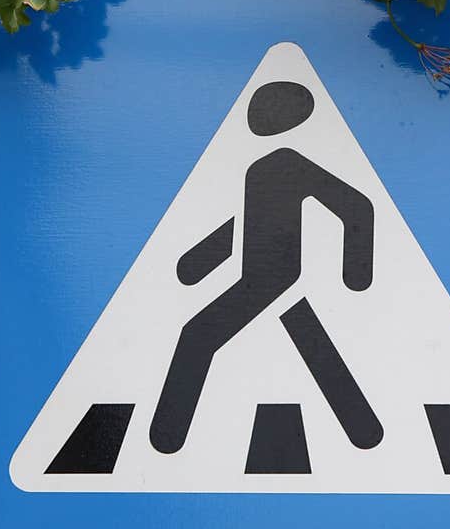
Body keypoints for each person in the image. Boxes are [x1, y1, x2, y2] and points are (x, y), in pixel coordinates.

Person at [150, 80, 384, 455]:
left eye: (261, 111)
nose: (252, 119)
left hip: (273, 276)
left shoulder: (289, 164)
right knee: (315, 347)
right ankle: (366, 432)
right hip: (264, 276)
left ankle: (165, 438)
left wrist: (356, 271)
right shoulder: (260, 168)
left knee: (197, 336)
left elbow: (355, 207)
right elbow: (245, 227)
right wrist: (196, 263)